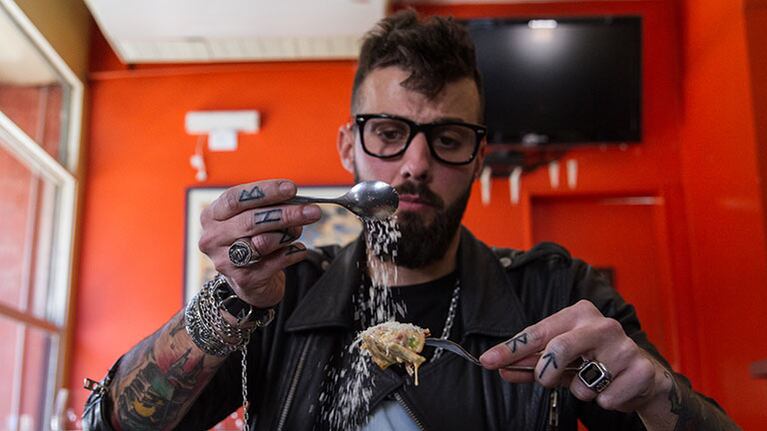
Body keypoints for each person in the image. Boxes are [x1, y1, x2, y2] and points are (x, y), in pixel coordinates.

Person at [83, 10, 739, 431]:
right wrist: (227, 302)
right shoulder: (280, 299)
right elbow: (109, 424)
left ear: (478, 157)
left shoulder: (555, 295)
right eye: (390, 133)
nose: (415, 165)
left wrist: (653, 393)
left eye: (447, 139)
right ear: (349, 147)